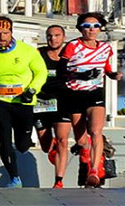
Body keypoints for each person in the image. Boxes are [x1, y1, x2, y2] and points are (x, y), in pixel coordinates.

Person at [0, 16, 48, 188]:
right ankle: (14, 178)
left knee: (22, 145)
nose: (1, 37)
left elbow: (41, 72)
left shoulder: (27, 51)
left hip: (23, 103)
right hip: (0, 103)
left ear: (11, 32)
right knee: (4, 140)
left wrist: (32, 90)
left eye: (5, 33)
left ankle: (25, 140)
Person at [56, 12, 123, 187]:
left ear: (100, 29)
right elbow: (60, 71)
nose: (91, 30)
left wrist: (113, 74)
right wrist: (80, 74)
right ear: (80, 29)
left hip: (95, 94)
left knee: (95, 131)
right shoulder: (72, 46)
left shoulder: (105, 48)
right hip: (74, 94)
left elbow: (106, 67)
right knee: (81, 140)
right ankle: (89, 156)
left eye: (95, 26)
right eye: (86, 26)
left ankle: (94, 170)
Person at [33, 25, 72, 189]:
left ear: (63, 37)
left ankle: (59, 180)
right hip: (42, 102)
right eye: (50, 36)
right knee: (46, 146)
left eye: (57, 35)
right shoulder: (38, 54)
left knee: (63, 140)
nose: (53, 39)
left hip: (63, 102)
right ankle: (54, 144)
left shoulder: (70, 55)